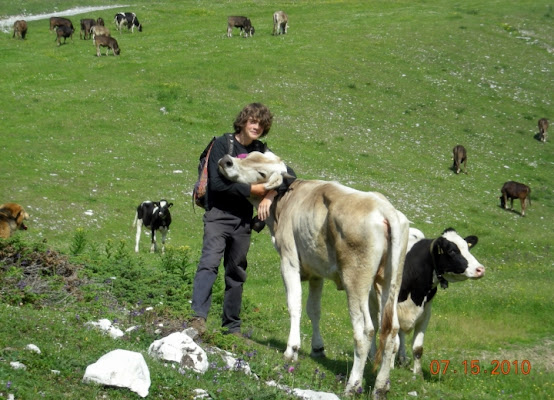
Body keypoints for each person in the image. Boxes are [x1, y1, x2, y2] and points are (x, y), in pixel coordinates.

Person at [190, 103, 295, 336]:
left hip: (243, 220)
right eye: (252, 121)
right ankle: (197, 318)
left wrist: (269, 195)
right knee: (209, 263)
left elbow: (291, 176)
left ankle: (232, 328)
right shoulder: (222, 144)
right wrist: (253, 189)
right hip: (218, 214)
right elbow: (217, 185)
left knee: (236, 271)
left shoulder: (260, 151)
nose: (256, 126)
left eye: (261, 123)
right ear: (243, 121)